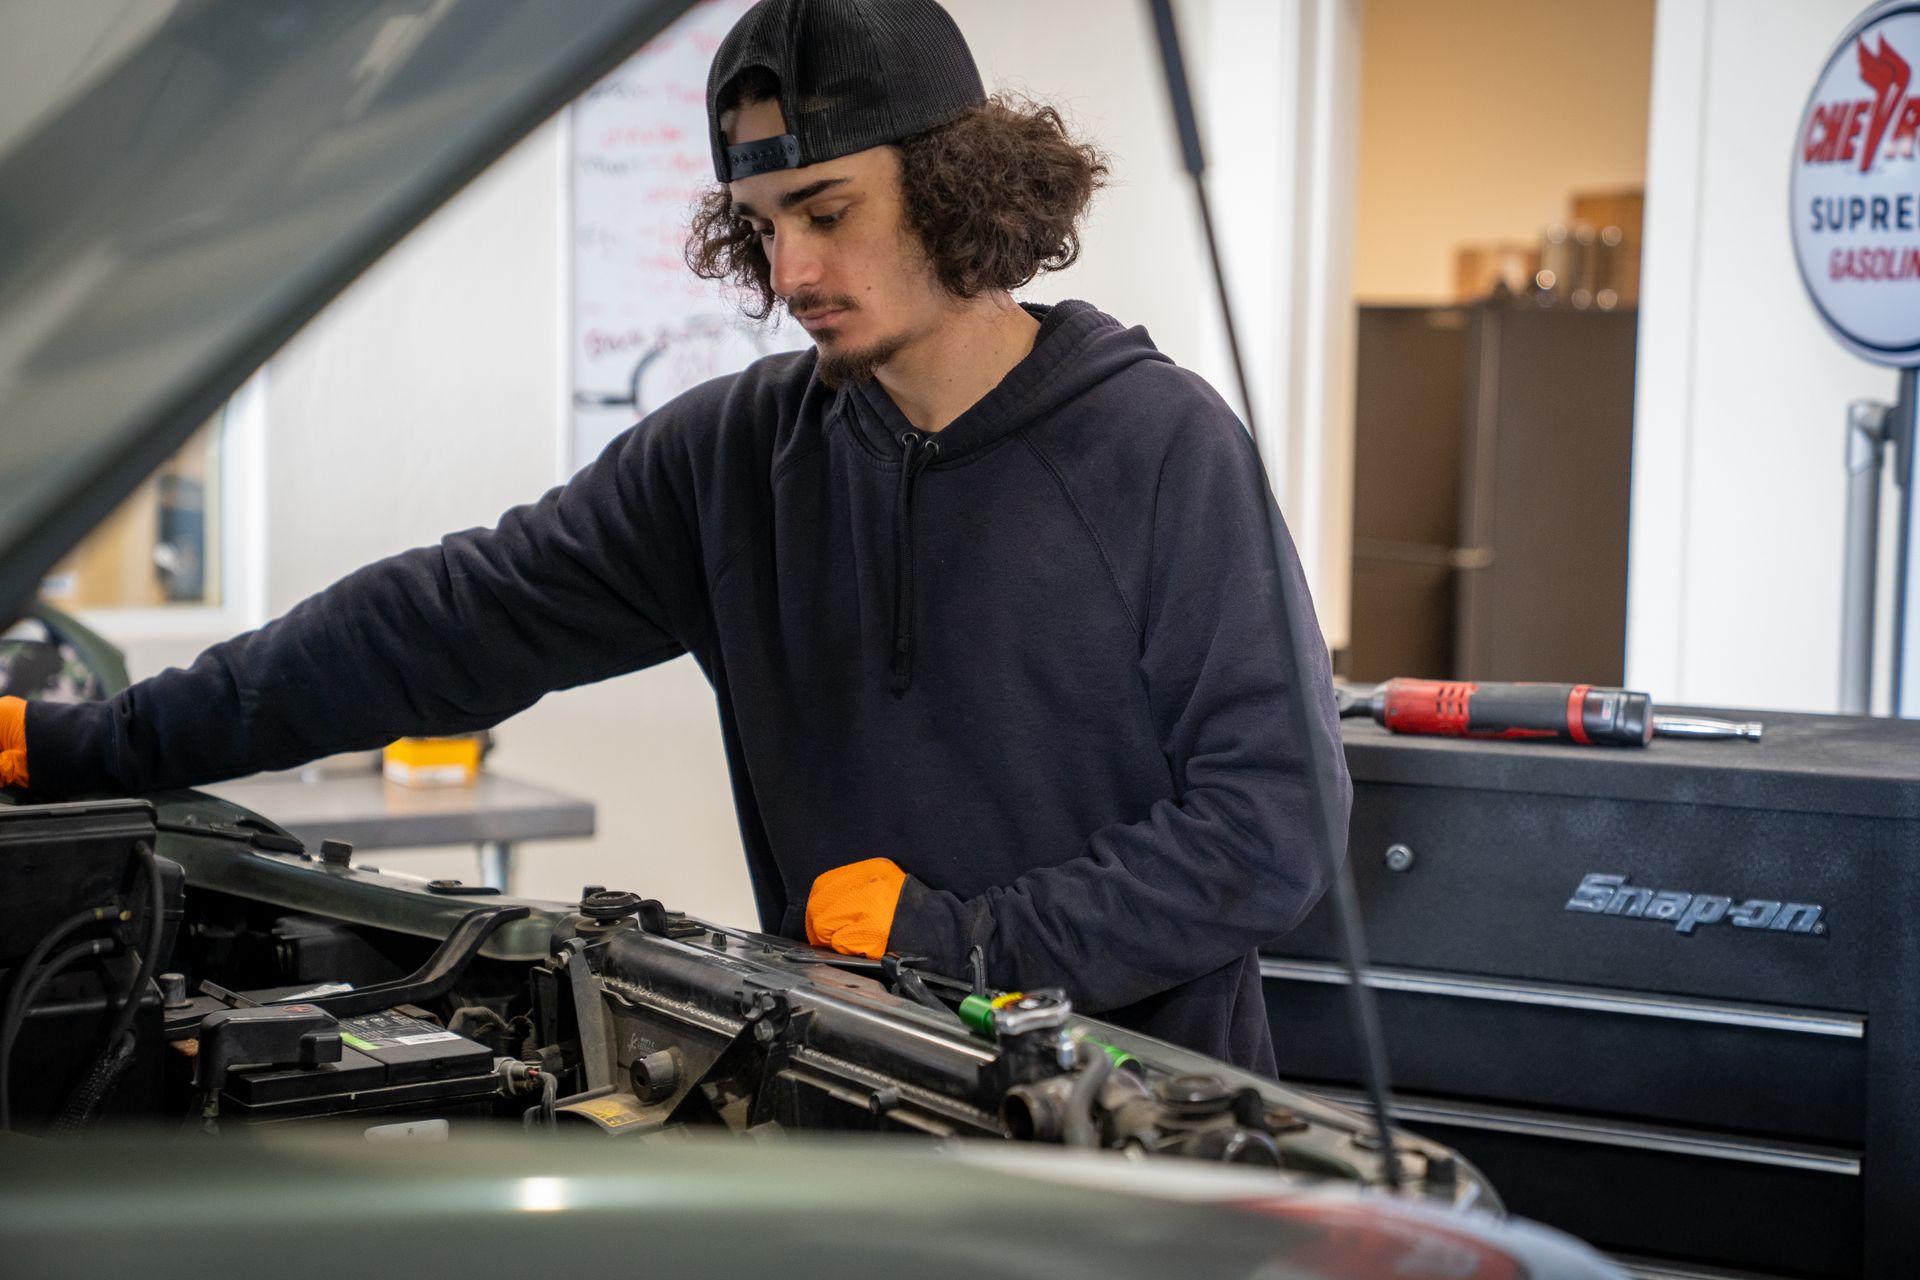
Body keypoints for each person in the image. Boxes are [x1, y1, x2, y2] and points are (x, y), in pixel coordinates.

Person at [0, 0, 1347, 1074]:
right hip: (860, 1101)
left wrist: (972, 941)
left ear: (958, 183)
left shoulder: (1161, 445)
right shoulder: (733, 461)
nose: (791, 276)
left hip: (1144, 1134)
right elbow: (442, 622)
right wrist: (94, 746)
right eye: (761, 228)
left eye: (827, 212)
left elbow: (1275, 820)